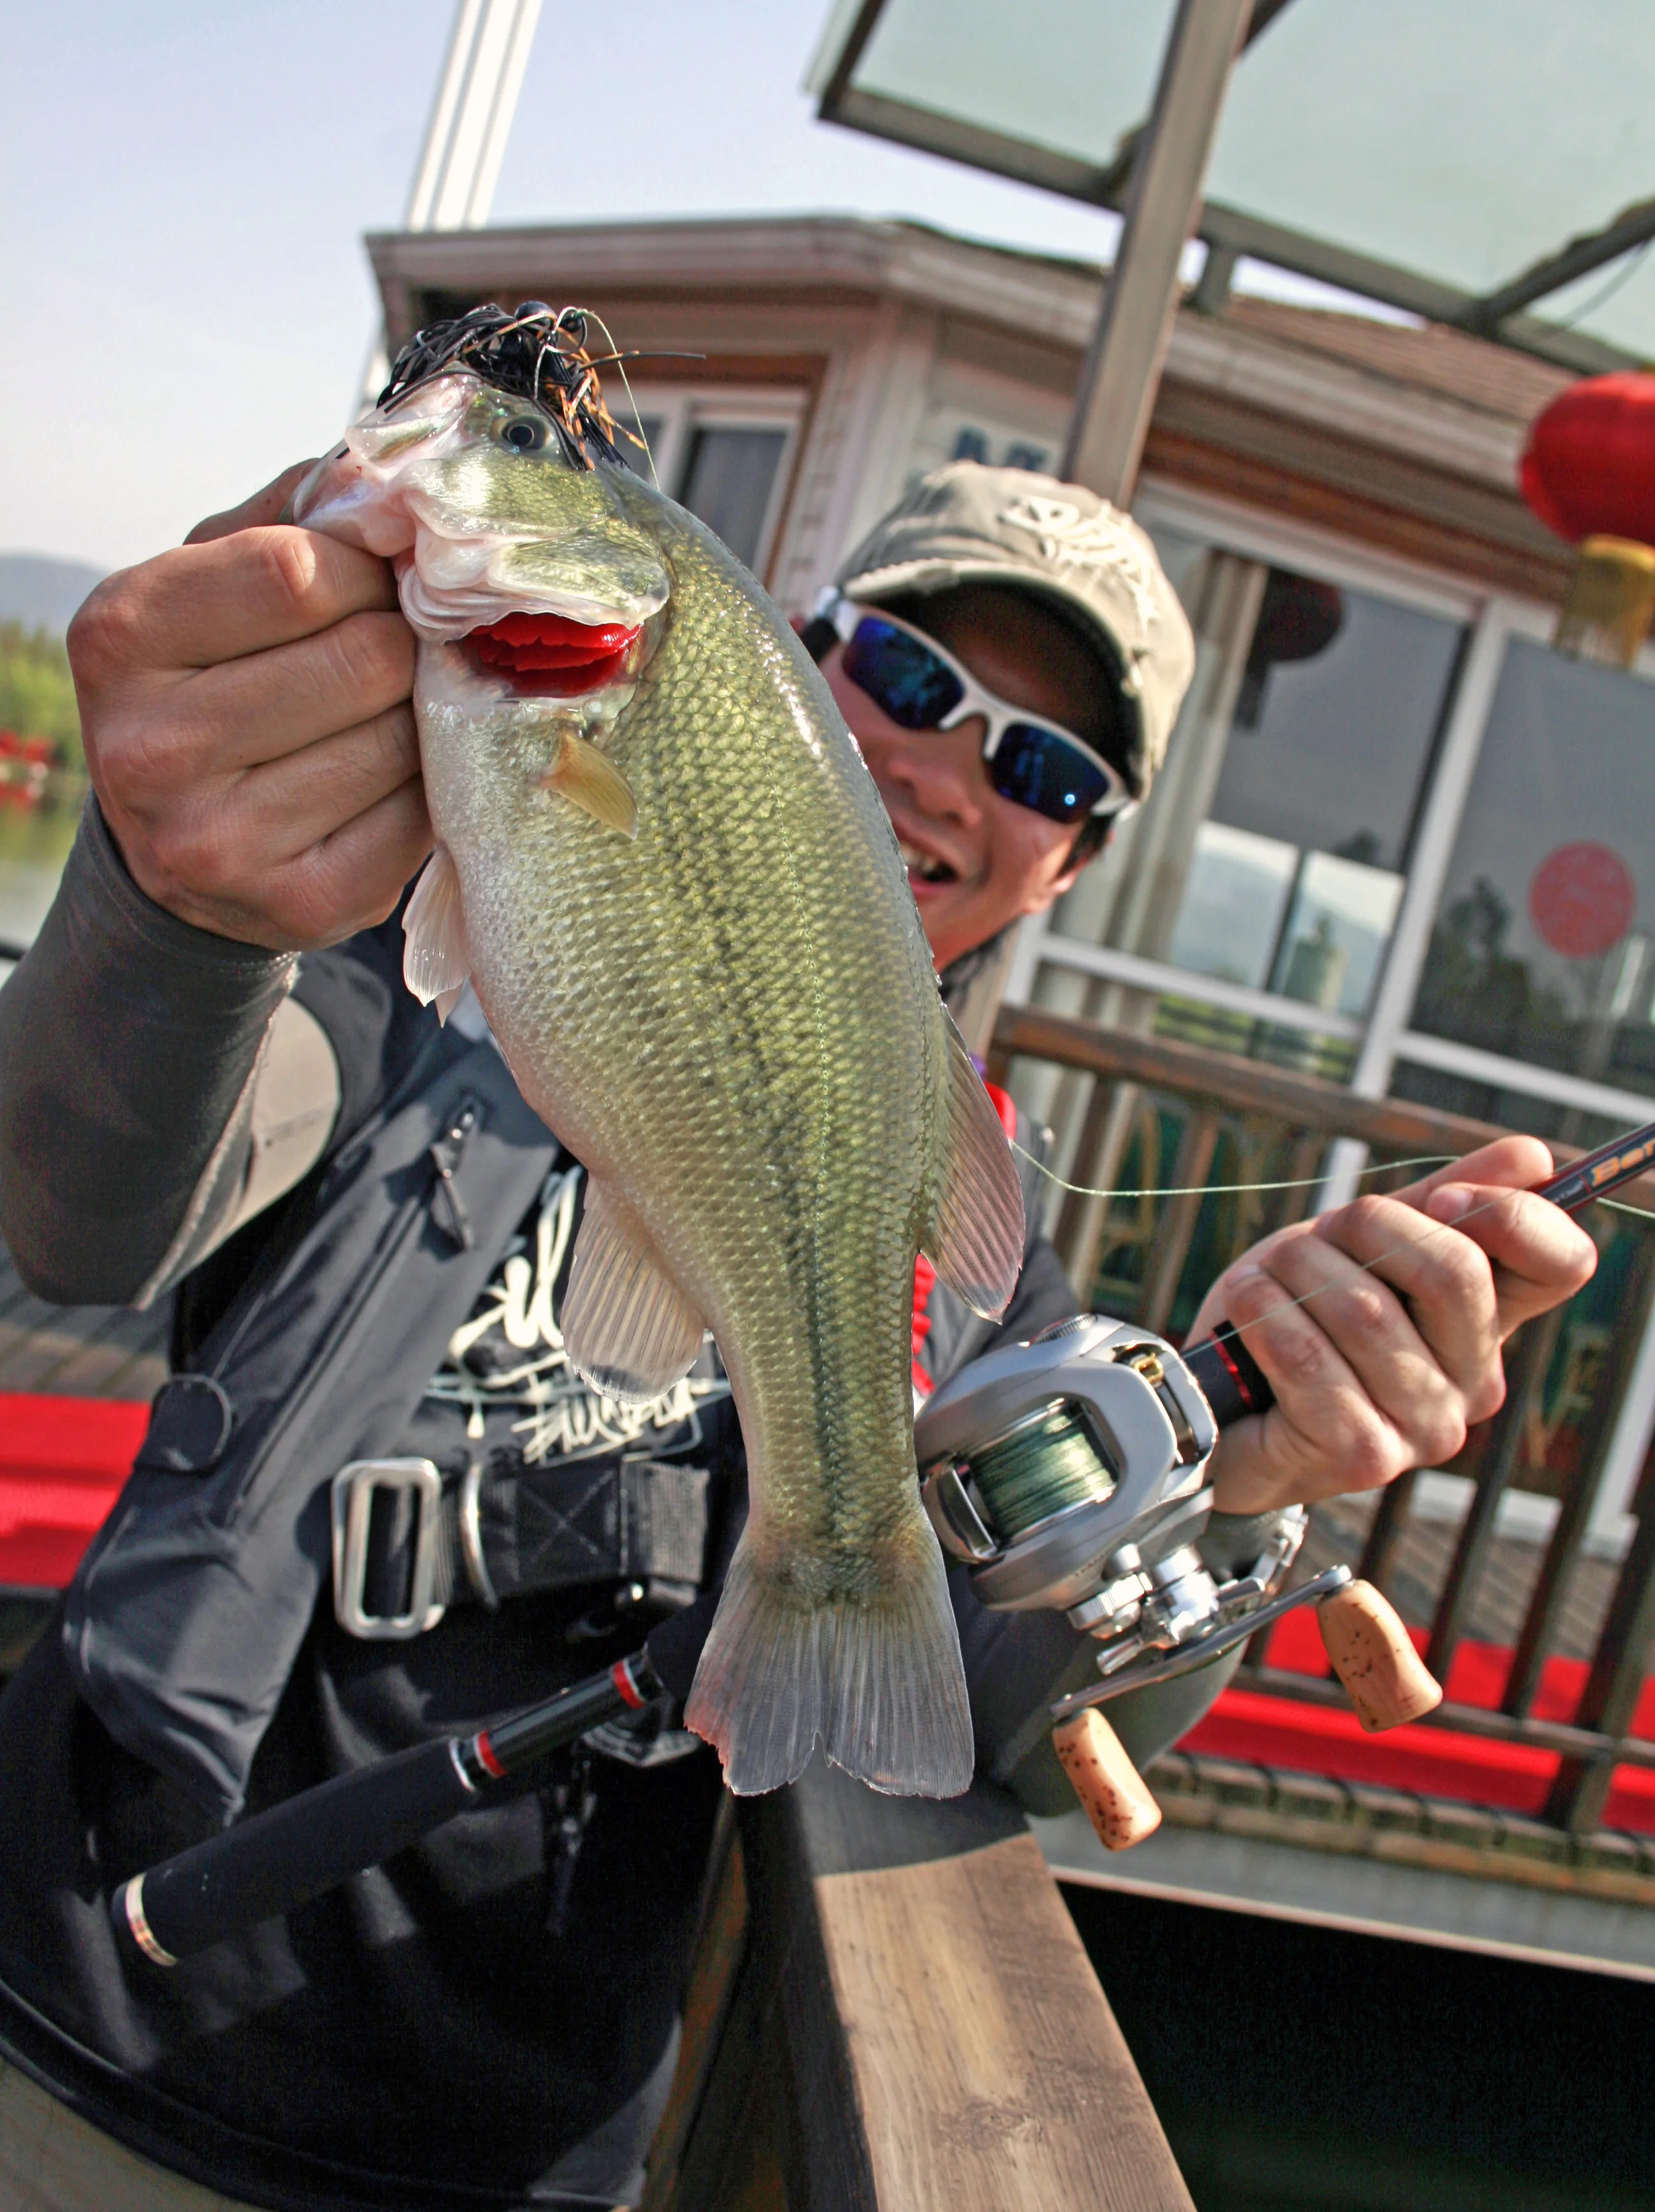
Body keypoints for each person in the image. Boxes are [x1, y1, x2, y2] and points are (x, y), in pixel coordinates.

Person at [0, 430, 1594, 2212]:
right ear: (794, 663)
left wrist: (1230, 1473)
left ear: (1068, 866)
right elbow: (86, 1215)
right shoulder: (413, 954)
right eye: (908, 674)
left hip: (517, 2150)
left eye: (1044, 766)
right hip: (70, 2011)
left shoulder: (980, 1264)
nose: (943, 768)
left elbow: (998, 1724)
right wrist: (177, 915)